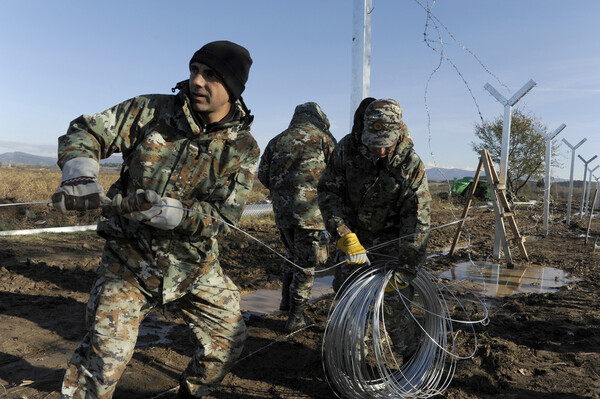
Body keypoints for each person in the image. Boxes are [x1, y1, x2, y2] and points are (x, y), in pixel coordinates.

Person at [51, 40, 259, 399]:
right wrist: (79, 174)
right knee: (104, 360)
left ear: (233, 88)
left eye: (210, 75)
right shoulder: (151, 110)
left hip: (194, 266)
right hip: (128, 262)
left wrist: (171, 213)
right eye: (194, 70)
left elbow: (224, 218)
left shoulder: (243, 149)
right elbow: (87, 131)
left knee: (229, 339)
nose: (197, 81)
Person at [317, 97, 431, 359]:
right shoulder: (347, 150)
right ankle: (352, 363)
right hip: (354, 240)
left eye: (385, 144)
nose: (379, 151)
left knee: (395, 307)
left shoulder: (410, 165)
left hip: (392, 246)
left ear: (398, 132)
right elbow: (328, 193)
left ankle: (412, 362)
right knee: (350, 304)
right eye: (373, 143)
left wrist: (405, 271)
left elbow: (418, 224)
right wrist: (343, 234)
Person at [257, 102, 336, 332]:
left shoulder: (277, 140)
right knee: (307, 264)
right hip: (311, 214)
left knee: (292, 255)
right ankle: (296, 317)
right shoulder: (324, 139)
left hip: (283, 213)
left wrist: (283, 193)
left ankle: (285, 303)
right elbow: (338, 172)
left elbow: (263, 174)